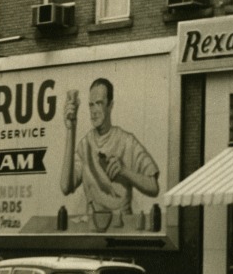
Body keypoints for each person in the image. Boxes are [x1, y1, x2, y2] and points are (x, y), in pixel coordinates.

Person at [60, 78, 160, 216]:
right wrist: (71, 129)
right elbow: (65, 187)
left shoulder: (127, 141)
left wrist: (125, 171)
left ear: (110, 105)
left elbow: (154, 187)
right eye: (91, 105)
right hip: (93, 224)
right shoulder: (85, 144)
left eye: (99, 103)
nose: (94, 111)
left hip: (122, 224)